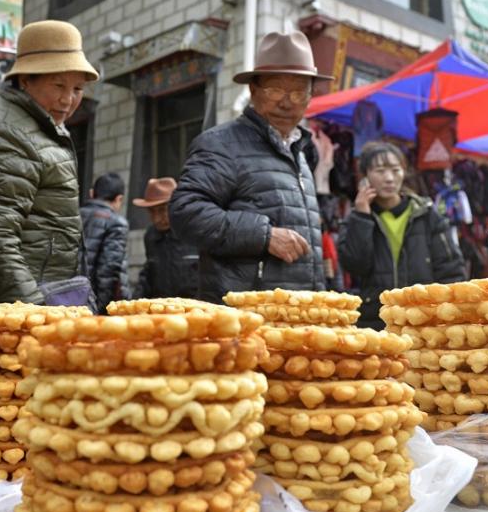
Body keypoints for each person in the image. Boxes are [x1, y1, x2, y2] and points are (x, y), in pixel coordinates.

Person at [0, 20, 99, 305]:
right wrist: (36, 312)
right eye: (58, 85)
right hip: (7, 313)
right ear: (26, 80)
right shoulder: (7, 130)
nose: (68, 99)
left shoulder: (41, 125)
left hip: (36, 300)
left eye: (78, 89)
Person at [170, 31, 330, 302]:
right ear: (253, 90)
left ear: (310, 96)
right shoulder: (221, 144)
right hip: (245, 318)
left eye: (298, 91)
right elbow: (186, 212)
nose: (286, 101)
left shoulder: (301, 152)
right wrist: (264, 235)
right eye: (275, 89)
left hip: (299, 314)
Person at [338, 142, 465, 328]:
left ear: (404, 172)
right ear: (365, 176)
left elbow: (451, 268)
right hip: (376, 320)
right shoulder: (356, 219)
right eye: (380, 171)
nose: (389, 178)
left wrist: (447, 314)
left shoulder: (426, 214)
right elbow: (355, 266)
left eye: (396, 170)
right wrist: (362, 216)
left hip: (422, 319)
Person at [134, 177, 200, 299]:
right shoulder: (151, 236)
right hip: (161, 311)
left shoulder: (195, 231)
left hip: (195, 311)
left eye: (162, 210)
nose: (157, 218)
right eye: (151, 212)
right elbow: (149, 274)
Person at [80, 172, 131, 311]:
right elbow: (108, 271)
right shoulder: (116, 223)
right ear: (119, 199)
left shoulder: (74, 217)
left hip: (69, 298)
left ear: (92, 193)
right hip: (95, 305)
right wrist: (103, 309)